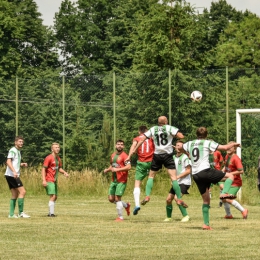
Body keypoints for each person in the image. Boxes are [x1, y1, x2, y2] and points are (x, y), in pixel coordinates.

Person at [180, 127, 240, 230]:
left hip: (196, 175)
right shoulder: (207, 143)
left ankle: (206, 224)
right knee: (230, 175)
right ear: (206, 135)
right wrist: (233, 145)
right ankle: (224, 193)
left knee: (206, 200)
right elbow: (224, 148)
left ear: (196, 134)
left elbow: (180, 147)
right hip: (205, 171)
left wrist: (188, 154)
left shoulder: (190, 143)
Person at [126, 116, 188, 208]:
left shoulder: (153, 129)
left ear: (158, 122)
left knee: (151, 176)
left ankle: (147, 196)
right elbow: (181, 136)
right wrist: (175, 135)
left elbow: (142, 139)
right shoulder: (169, 127)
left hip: (157, 155)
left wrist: (135, 150)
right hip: (168, 155)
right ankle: (179, 198)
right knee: (173, 178)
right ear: (166, 121)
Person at [128, 126, 155, 215]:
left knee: (137, 183)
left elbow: (133, 147)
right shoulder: (151, 138)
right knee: (151, 177)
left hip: (141, 163)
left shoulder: (136, 138)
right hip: (151, 161)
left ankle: (137, 204)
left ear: (139, 131)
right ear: (147, 131)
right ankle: (147, 195)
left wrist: (129, 157)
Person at [104, 139, 131, 221]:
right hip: (114, 180)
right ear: (116, 145)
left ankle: (120, 217)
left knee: (117, 198)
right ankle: (126, 205)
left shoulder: (125, 156)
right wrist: (107, 170)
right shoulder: (113, 155)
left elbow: (129, 167)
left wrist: (117, 170)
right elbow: (112, 166)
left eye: (121, 144)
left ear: (123, 146)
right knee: (111, 199)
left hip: (121, 180)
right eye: (118, 144)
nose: (120, 145)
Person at [164, 140, 191, 222]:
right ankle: (169, 217)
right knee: (168, 199)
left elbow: (188, 171)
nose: (179, 147)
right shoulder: (173, 158)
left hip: (184, 182)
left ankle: (186, 216)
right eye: (177, 145)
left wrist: (177, 177)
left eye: (180, 146)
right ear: (175, 147)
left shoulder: (185, 157)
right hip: (176, 182)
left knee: (177, 198)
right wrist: (172, 179)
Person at [5, 136, 30, 218]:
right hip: (12, 175)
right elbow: (8, 162)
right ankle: (21, 213)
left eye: (22, 142)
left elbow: (14, 162)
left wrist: (21, 164)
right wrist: (14, 172)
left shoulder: (18, 151)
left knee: (15, 194)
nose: (21, 143)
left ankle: (11, 214)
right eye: (19, 141)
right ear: (15, 142)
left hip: (9, 175)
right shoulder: (13, 150)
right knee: (23, 192)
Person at [222, 141, 248, 219]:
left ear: (234, 149)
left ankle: (243, 210)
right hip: (228, 181)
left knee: (227, 198)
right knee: (223, 198)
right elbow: (225, 167)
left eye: (231, 147)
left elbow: (241, 171)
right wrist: (221, 172)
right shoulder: (227, 156)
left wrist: (230, 174)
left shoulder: (236, 158)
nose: (229, 148)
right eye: (228, 146)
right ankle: (229, 215)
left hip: (235, 182)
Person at [42, 142, 69, 217]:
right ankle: (51, 213)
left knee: (55, 197)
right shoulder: (49, 158)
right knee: (53, 196)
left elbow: (59, 168)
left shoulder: (58, 158)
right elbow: (43, 169)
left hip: (54, 180)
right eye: (55, 147)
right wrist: (44, 180)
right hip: (49, 180)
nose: (57, 149)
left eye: (58, 147)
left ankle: (50, 212)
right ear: (52, 149)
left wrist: (64, 173)